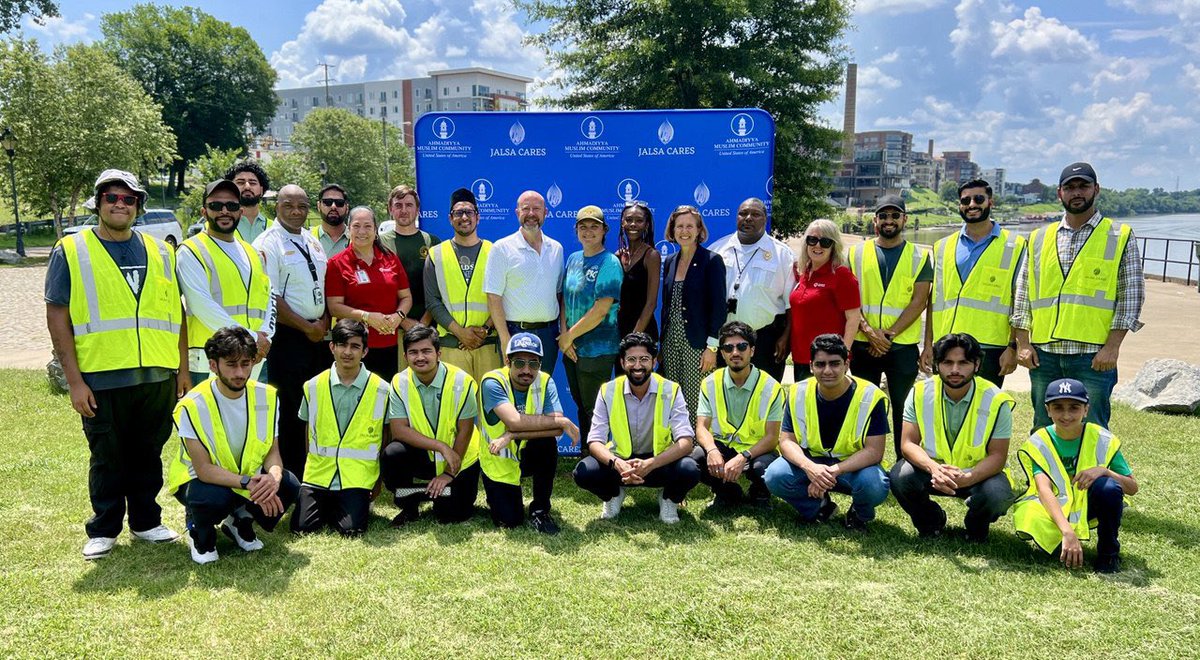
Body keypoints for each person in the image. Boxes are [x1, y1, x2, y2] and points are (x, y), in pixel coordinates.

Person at [45, 169, 188, 559]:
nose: (120, 204)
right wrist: (74, 381)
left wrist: (182, 370)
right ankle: (104, 527)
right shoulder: (71, 250)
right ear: (98, 203)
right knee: (108, 456)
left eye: (128, 199)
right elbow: (57, 315)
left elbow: (176, 311)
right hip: (101, 376)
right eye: (112, 197)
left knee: (148, 452)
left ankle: (146, 522)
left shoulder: (161, 250)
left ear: (138, 206)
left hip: (157, 375)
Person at [1013, 162, 1144, 430]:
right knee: (1043, 425)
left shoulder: (1118, 236)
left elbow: (1131, 296)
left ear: (1096, 189)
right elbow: (1023, 293)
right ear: (1059, 193)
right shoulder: (1039, 238)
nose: (1077, 193)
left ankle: (1092, 474)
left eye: (1083, 186)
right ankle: (1044, 473)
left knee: (1092, 427)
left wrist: (1112, 347)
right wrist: (1023, 343)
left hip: (1092, 355)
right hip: (1045, 353)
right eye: (1069, 187)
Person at [167, 327, 300, 564]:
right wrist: (250, 484)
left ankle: (239, 520)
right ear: (213, 365)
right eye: (231, 364)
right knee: (213, 498)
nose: (240, 372)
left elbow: (272, 451)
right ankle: (199, 532)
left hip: (245, 480)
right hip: (199, 482)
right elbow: (204, 470)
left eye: (246, 363)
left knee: (289, 485)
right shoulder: (192, 405)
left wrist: (273, 479)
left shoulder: (267, 396)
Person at [891, 333, 1015, 541]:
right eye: (947, 362)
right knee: (900, 476)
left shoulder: (996, 399)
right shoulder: (919, 392)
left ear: (976, 365)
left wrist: (968, 478)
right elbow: (908, 443)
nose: (955, 370)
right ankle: (931, 522)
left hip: (978, 473)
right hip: (934, 470)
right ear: (937, 365)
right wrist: (934, 469)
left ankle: (975, 525)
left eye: (963, 363)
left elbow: (997, 456)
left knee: (998, 495)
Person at [764, 334, 890, 531]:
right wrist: (810, 467)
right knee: (775, 475)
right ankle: (820, 507)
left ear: (847, 364)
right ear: (811, 365)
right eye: (820, 364)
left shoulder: (870, 396)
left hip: (852, 468)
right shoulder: (798, 392)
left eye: (835, 364)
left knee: (874, 484)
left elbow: (875, 451)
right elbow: (787, 441)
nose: (827, 370)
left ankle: (859, 513)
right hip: (812, 461)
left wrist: (833, 471)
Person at [1012, 378, 1138, 573]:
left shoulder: (1102, 438)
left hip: (1087, 505)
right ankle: (1062, 538)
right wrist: (1068, 532)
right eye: (1058, 408)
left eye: (1074, 408)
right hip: (1052, 506)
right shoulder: (1039, 441)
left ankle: (1108, 554)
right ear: (1048, 410)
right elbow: (1043, 490)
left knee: (1109, 487)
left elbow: (1132, 487)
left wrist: (1104, 471)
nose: (1066, 415)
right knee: (1031, 518)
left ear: (1086, 410)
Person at [573, 332, 700, 523]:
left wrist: (651, 464)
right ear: (623, 363)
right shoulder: (608, 390)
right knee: (584, 472)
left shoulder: (671, 390)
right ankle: (613, 495)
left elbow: (686, 441)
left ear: (654, 362)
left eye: (644, 359)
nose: (638, 366)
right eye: (631, 359)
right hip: (621, 465)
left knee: (690, 469)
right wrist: (618, 463)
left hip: (658, 463)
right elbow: (594, 441)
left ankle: (669, 499)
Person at [252, 184, 329, 478]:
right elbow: (270, 296)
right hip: (289, 337)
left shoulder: (311, 240)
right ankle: (293, 475)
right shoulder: (268, 242)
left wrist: (321, 323)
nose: (296, 212)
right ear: (276, 207)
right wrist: (306, 326)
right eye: (288, 206)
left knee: (315, 406)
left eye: (301, 206)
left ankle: (316, 470)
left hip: (317, 334)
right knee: (292, 408)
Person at [848, 195, 932, 458]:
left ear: (904, 219)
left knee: (903, 405)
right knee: (865, 403)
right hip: (864, 343)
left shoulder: (920, 256)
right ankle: (864, 457)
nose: (889, 220)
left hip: (902, 346)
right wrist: (870, 333)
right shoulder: (855, 253)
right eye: (883, 215)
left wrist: (888, 335)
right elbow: (849, 298)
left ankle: (903, 461)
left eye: (895, 215)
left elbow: (919, 301)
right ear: (875, 220)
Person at [923, 179, 1025, 387]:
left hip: (990, 347)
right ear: (959, 205)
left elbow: (1019, 299)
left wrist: (1012, 347)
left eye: (978, 199)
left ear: (990, 202)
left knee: (983, 412)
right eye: (965, 200)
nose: (972, 204)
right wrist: (927, 345)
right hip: (946, 344)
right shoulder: (942, 246)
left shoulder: (1015, 245)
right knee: (943, 411)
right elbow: (934, 300)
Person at [292, 319, 390, 536]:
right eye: (342, 345)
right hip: (319, 475)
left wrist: (378, 480)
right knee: (302, 529)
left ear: (365, 351)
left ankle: (352, 504)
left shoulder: (382, 389)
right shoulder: (313, 386)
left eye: (355, 346)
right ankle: (332, 503)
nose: (348, 352)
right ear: (332, 347)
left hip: (357, 476)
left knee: (351, 530)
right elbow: (309, 432)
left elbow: (386, 437)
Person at [477, 333, 580, 534]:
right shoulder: (492, 381)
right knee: (509, 521)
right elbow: (515, 421)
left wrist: (512, 436)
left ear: (540, 364)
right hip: (499, 460)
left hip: (527, 451)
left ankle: (540, 510)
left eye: (533, 364)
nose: (526, 370)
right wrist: (559, 421)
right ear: (507, 361)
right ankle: (495, 495)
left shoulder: (545, 381)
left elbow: (557, 428)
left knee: (547, 442)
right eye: (520, 362)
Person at [177, 180, 275, 385]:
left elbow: (269, 297)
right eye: (215, 206)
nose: (224, 211)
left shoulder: (252, 252)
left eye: (231, 206)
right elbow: (202, 305)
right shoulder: (191, 251)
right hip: (211, 361)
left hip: (252, 360)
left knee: (252, 417)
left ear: (240, 211)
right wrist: (252, 338)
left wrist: (266, 337)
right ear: (204, 211)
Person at [383, 324, 482, 525]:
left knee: (451, 516)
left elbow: (466, 430)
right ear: (405, 356)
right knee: (392, 454)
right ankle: (409, 505)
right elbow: (398, 430)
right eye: (414, 352)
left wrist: (448, 473)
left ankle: (438, 493)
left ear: (439, 353)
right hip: (426, 454)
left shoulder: (463, 381)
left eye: (426, 351)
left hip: (459, 458)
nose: (420, 357)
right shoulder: (399, 382)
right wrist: (440, 446)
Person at [693, 321, 783, 508]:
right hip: (723, 446)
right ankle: (727, 492)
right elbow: (701, 428)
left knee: (763, 468)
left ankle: (760, 492)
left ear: (752, 350)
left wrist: (743, 457)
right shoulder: (710, 383)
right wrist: (712, 451)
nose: (735, 353)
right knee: (695, 458)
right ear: (722, 352)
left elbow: (772, 437)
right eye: (728, 347)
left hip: (757, 451)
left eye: (742, 346)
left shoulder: (771, 387)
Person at [710, 197, 795, 381]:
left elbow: (791, 305)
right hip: (724, 340)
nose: (748, 218)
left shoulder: (782, 255)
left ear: (765, 219)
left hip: (765, 340)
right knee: (724, 396)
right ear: (736, 217)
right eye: (743, 213)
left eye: (755, 214)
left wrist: (786, 338)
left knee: (764, 397)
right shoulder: (717, 250)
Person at [325, 206, 413, 382]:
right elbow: (334, 307)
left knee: (385, 397)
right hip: (354, 346)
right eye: (356, 226)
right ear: (348, 229)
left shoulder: (390, 258)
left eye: (367, 226)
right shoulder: (337, 263)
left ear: (375, 229)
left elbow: (406, 297)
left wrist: (399, 316)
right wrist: (367, 317)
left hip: (389, 343)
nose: (362, 232)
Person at [424, 187, 501, 384]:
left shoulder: (495, 252)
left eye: (469, 212)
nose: (464, 217)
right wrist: (460, 332)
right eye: (458, 213)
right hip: (451, 346)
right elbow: (433, 302)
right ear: (450, 218)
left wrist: (484, 329)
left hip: (488, 344)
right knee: (456, 410)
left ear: (478, 217)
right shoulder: (436, 254)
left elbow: (503, 298)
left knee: (491, 411)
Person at [658, 205, 726, 426]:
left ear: (699, 230)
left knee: (696, 398)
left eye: (689, 226)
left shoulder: (711, 261)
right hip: (670, 343)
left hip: (698, 344)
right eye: (679, 226)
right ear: (672, 230)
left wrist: (712, 347)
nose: (684, 231)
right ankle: (677, 448)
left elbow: (718, 307)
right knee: (673, 398)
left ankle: (698, 451)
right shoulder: (670, 261)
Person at [484, 190, 565, 373]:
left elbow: (559, 294)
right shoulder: (502, 248)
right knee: (517, 393)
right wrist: (505, 338)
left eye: (536, 209)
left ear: (545, 213)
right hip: (515, 333)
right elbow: (493, 297)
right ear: (517, 213)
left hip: (549, 334)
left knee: (543, 389)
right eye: (525, 208)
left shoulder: (556, 249)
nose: (531, 214)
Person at [561, 205, 623, 442]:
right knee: (581, 405)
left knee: (595, 409)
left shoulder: (610, 262)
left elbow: (601, 310)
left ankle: (601, 459)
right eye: (583, 227)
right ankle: (587, 455)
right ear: (576, 230)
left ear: (604, 230)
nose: (588, 232)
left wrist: (569, 337)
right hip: (571, 348)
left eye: (594, 226)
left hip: (598, 349)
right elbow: (565, 300)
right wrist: (565, 335)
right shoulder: (573, 259)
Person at [788, 218, 862, 381]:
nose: (817, 246)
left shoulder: (842, 276)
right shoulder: (802, 272)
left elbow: (853, 319)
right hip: (801, 357)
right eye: (812, 240)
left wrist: (843, 355)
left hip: (827, 361)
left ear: (833, 246)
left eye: (825, 242)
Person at [379, 185, 440, 337]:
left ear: (418, 209)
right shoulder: (379, 243)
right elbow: (378, 287)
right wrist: (403, 321)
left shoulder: (432, 241)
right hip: (391, 327)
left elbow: (440, 288)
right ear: (390, 209)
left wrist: (423, 323)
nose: (404, 210)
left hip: (427, 328)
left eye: (409, 205)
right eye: (398, 205)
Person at [616, 200, 660, 342]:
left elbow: (651, 303)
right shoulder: (617, 256)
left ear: (646, 225)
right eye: (628, 220)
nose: (633, 224)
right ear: (622, 223)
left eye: (639, 220)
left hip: (643, 332)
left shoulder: (651, 255)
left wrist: (634, 337)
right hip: (619, 331)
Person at [224, 159, 271, 245]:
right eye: (240, 182)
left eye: (252, 183)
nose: (247, 187)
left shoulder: (273, 228)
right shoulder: (218, 226)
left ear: (261, 190)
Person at [312, 183, 350, 258]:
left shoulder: (358, 238)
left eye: (339, 203)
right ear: (318, 206)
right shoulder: (307, 238)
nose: (333, 206)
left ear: (347, 208)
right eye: (327, 202)